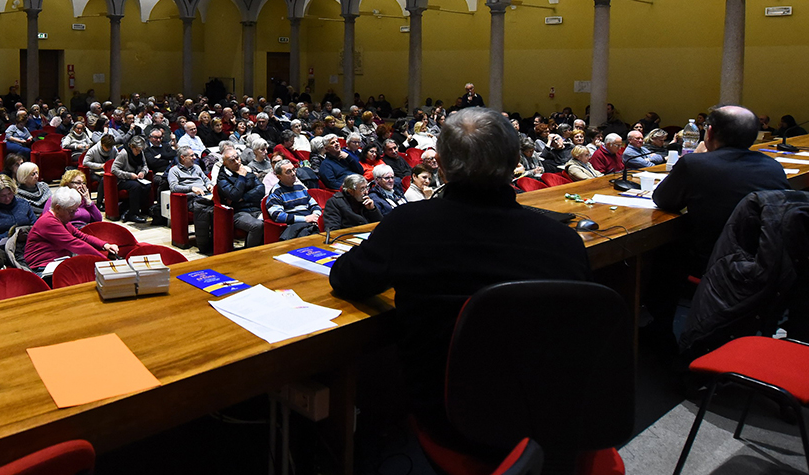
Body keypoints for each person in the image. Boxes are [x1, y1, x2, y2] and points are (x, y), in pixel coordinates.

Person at [329, 107, 590, 416]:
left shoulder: (408, 226)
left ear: (440, 166)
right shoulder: (565, 242)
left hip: (447, 411)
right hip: (549, 410)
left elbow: (346, 279)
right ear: (515, 165)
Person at [653, 105, 789, 267]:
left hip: (712, 263)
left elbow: (662, 199)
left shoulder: (694, 163)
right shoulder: (773, 166)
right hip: (765, 261)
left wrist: (696, 156)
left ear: (709, 132)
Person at [22, 187, 119, 271]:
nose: (73, 215)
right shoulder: (49, 222)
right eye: (71, 211)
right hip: (42, 265)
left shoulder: (61, 219)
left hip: (56, 260)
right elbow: (75, 244)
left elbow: (82, 236)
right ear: (58, 208)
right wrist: (105, 262)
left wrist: (105, 245)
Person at [217, 147, 265, 249]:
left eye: (237, 158)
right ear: (225, 163)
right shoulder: (222, 177)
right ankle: (249, 255)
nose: (237, 162)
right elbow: (234, 195)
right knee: (257, 226)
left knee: (273, 222)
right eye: (232, 160)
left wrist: (244, 197)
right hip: (238, 212)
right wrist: (241, 177)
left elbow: (261, 189)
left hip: (255, 208)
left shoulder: (247, 170)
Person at [266, 159, 322, 238]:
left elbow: (315, 205)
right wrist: (305, 219)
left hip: (311, 222)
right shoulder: (276, 193)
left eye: (293, 170)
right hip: (296, 227)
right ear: (279, 177)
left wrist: (315, 216)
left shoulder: (301, 188)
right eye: (289, 172)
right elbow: (278, 215)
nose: (293, 174)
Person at [0, 174, 36, 243]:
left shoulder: (23, 204)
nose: (7, 198)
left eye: (9, 194)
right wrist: (14, 236)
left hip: (29, 242)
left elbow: (35, 226)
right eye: (3, 196)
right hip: (2, 247)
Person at [111, 135, 152, 223]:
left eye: (140, 150)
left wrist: (143, 172)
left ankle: (140, 209)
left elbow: (145, 165)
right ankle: (133, 214)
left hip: (136, 178)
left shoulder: (141, 153)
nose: (138, 152)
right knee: (136, 186)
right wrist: (129, 175)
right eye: (137, 150)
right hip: (122, 180)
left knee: (148, 186)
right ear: (131, 146)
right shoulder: (123, 153)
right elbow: (114, 169)